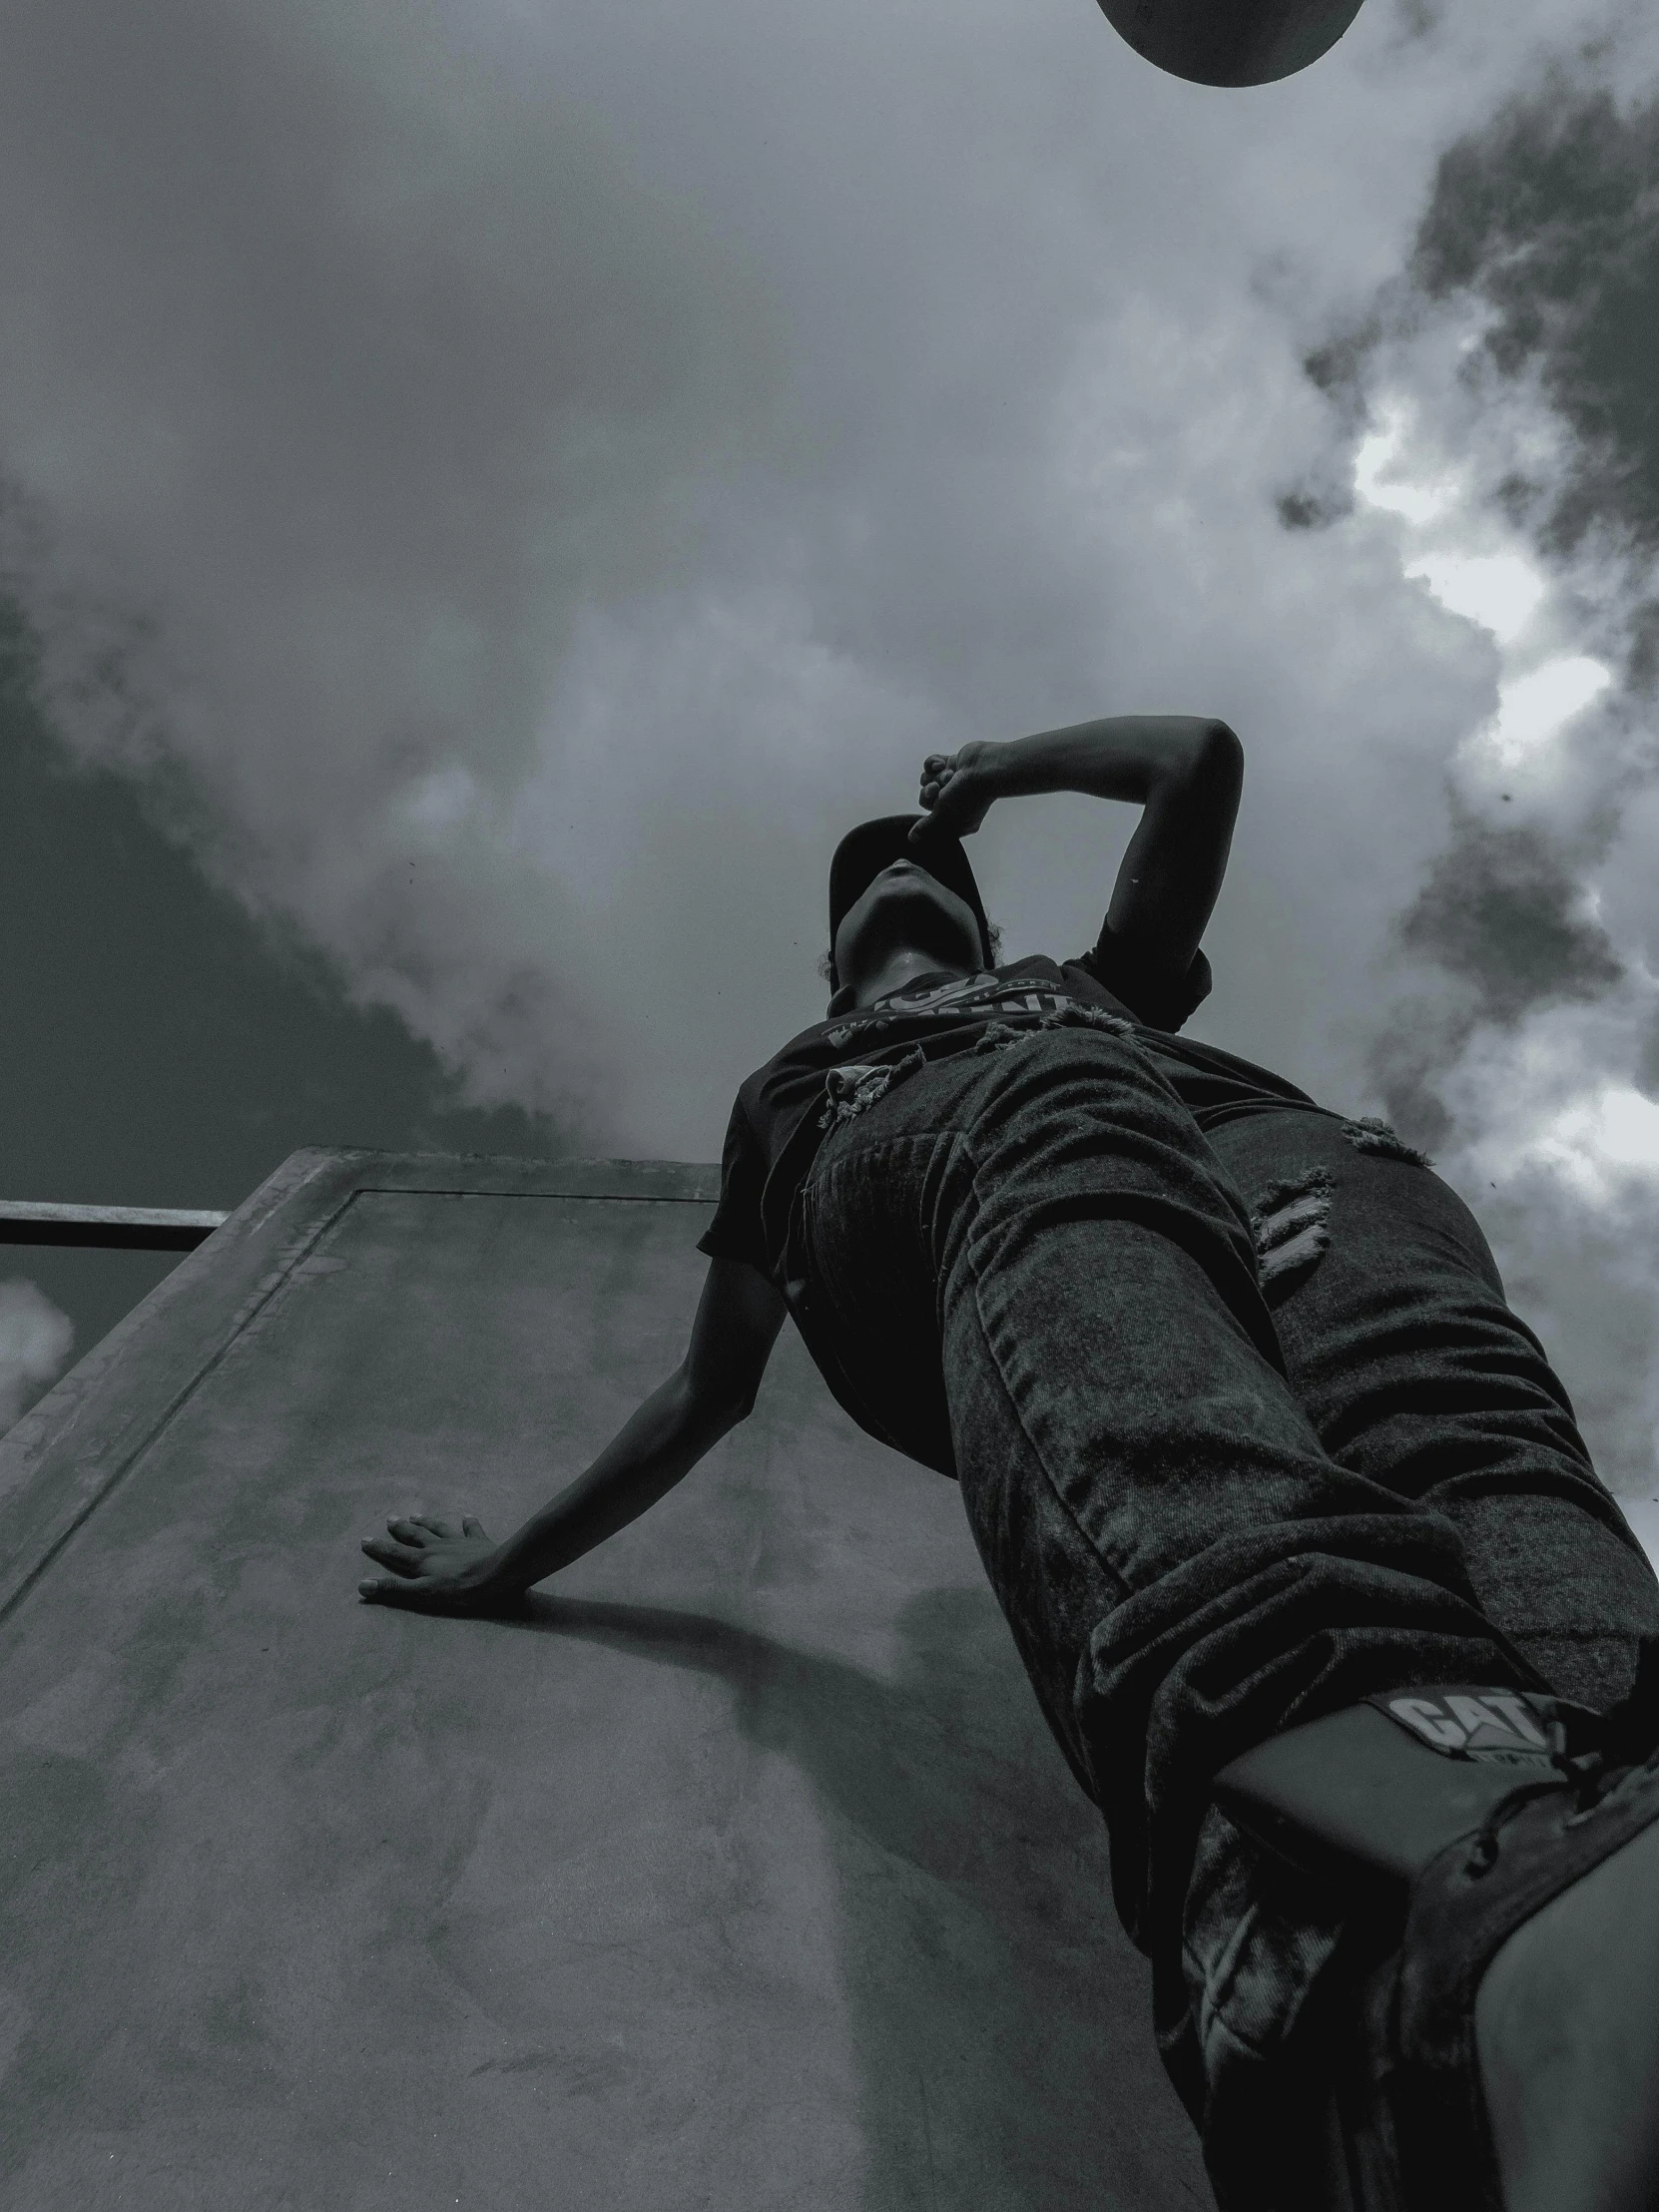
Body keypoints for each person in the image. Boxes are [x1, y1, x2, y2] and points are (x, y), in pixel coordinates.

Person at [358, 716, 1659, 2212]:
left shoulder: (1084, 986)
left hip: (1282, 1168)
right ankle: (1379, 1955)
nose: (901, 868)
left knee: (1457, 1416)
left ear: (992, 920)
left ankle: (1608, 1825)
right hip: (954, 1156)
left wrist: (995, 774)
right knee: (1060, 1107)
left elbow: (1197, 760)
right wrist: (507, 1557)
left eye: (927, 865)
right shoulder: (790, 1088)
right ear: (824, 952)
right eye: (868, 873)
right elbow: (706, 1388)